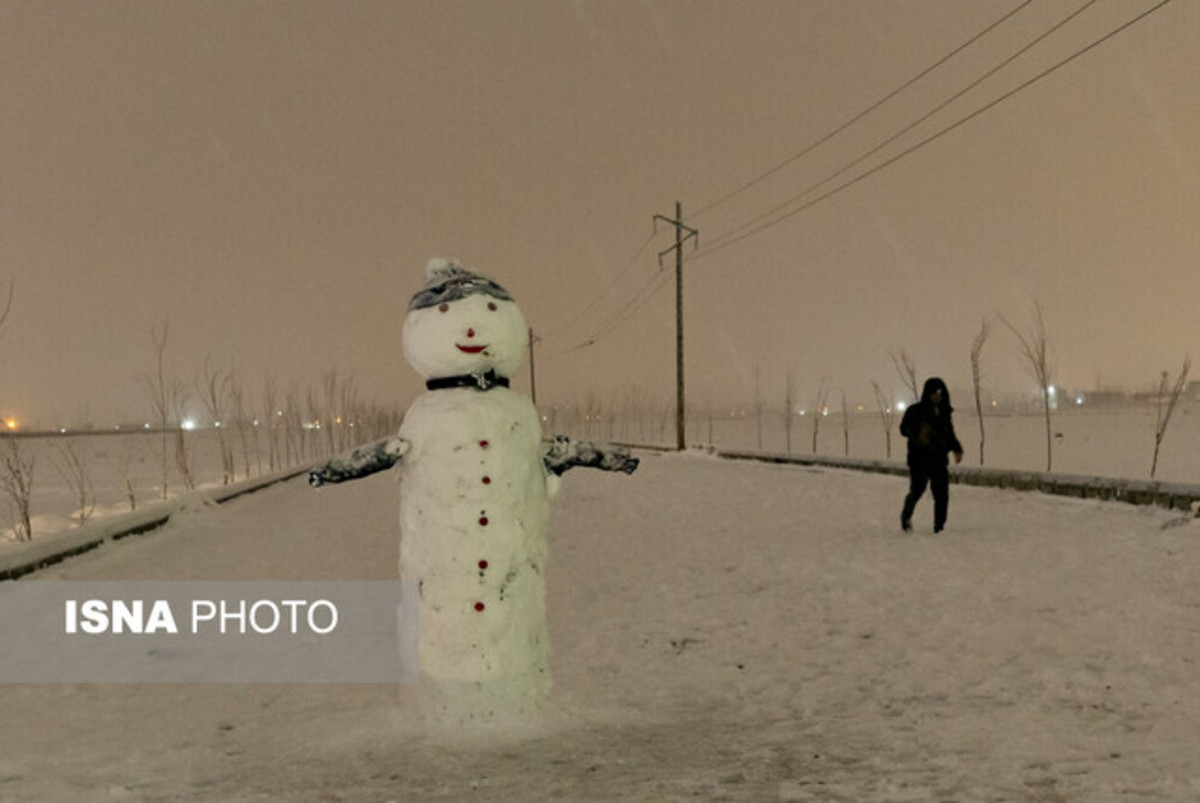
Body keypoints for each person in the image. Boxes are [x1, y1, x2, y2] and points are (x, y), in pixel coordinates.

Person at [899, 377, 964, 533]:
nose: (937, 396)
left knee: (941, 493)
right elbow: (903, 429)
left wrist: (956, 448)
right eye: (934, 393)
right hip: (918, 458)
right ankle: (906, 517)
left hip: (939, 458)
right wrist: (917, 432)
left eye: (940, 393)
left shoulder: (944, 412)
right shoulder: (915, 410)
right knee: (917, 490)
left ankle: (939, 527)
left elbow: (949, 433)